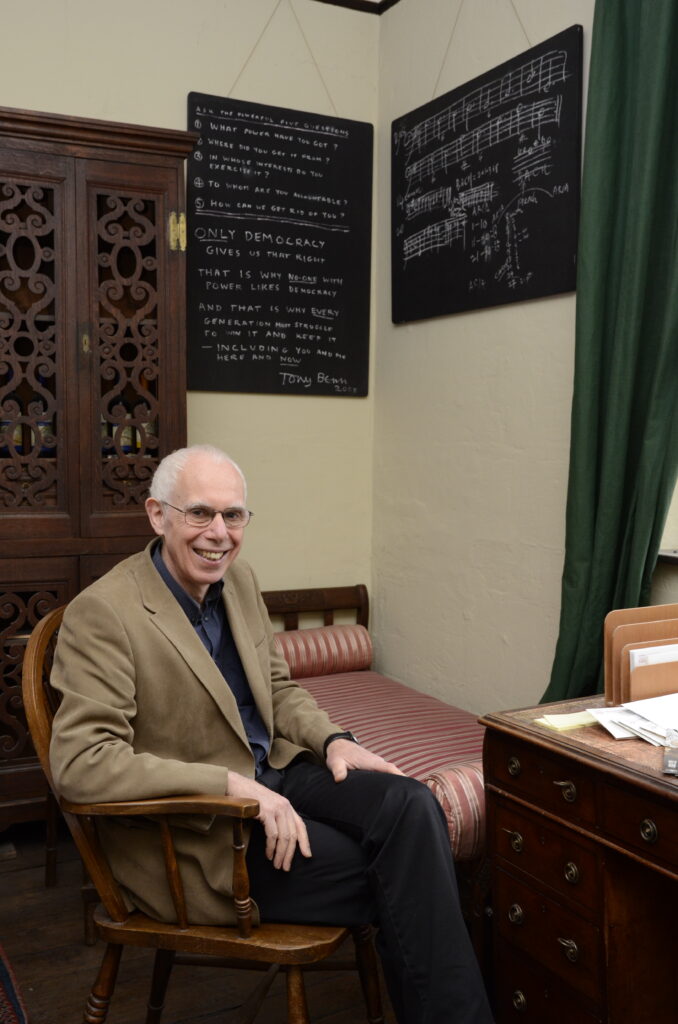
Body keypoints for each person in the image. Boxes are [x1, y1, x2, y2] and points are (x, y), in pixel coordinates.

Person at [49, 444, 493, 1024]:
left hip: (278, 771)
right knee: (408, 873)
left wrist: (333, 740)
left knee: (411, 805)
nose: (219, 534)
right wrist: (234, 787)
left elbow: (279, 690)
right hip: (199, 831)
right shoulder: (104, 612)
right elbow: (82, 762)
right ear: (158, 516)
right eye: (199, 513)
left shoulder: (240, 582)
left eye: (233, 516)